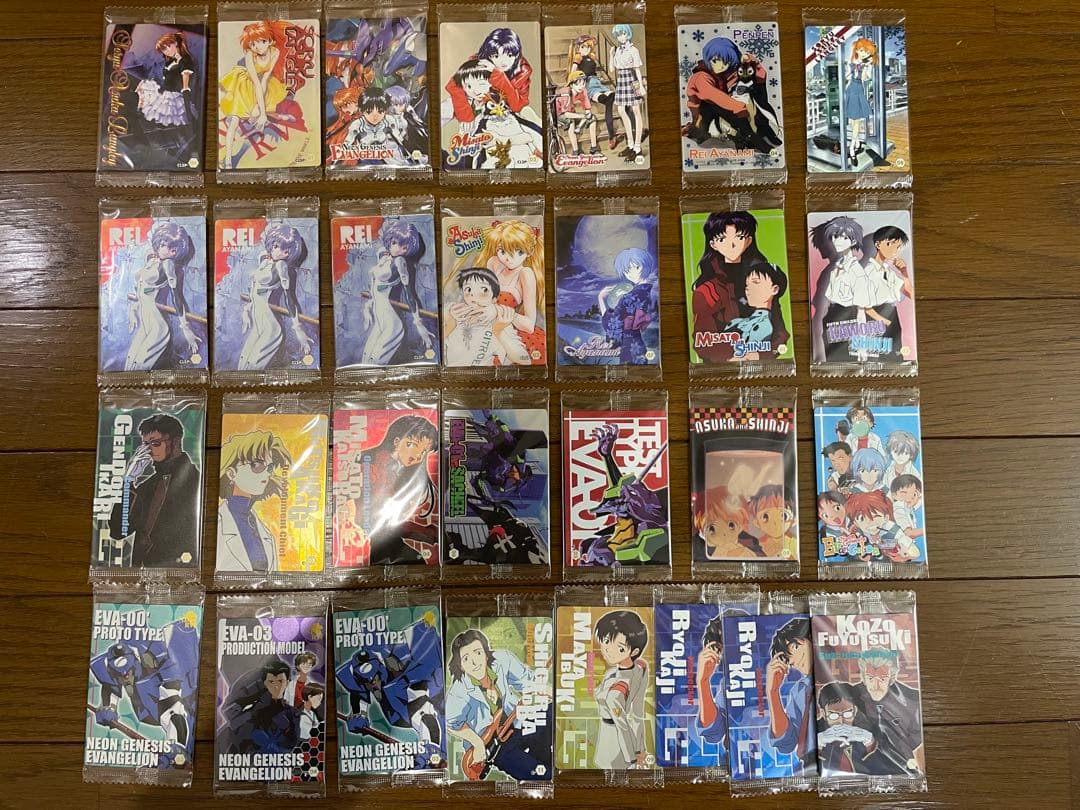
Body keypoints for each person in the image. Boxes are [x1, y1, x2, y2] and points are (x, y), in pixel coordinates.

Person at [445, 628, 551, 780]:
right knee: (541, 776)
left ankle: (542, 759)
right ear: (461, 665)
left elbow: (527, 681)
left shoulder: (503, 659)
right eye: (466, 659)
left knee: (550, 712)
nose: (474, 662)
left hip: (519, 723)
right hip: (495, 746)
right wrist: (477, 743)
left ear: (486, 653)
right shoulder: (458, 692)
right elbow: (452, 723)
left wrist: (545, 690)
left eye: (478, 653)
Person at [108, 413, 201, 568]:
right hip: (141, 572)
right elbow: (119, 531)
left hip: (180, 570)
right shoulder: (149, 485)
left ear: (176, 442)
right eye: (145, 445)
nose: (148, 451)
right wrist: (128, 481)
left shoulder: (195, 480)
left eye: (155, 443)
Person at [357, 218, 434, 366]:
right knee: (366, 359)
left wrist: (419, 324)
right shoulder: (383, 255)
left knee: (376, 362)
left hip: (391, 323)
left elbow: (409, 293)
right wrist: (368, 306)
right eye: (394, 243)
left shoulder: (400, 262)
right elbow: (376, 287)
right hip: (380, 319)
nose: (398, 249)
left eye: (404, 247)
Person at [124, 221, 200, 371]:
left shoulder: (168, 265)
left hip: (157, 325)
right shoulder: (152, 261)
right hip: (145, 323)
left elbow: (177, 297)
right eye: (164, 244)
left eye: (173, 249)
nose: (167, 250)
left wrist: (185, 328)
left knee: (139, 366)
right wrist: (134, 308)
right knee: (130, 364)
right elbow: (144, 292)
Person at [238, 223, 313, 370]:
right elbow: (256, 291)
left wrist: (298, 329)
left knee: (253, 368)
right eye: (273, 245)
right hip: (258, 324)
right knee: (242, 365)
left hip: (270, 327)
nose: (273, 249)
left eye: (277, 247)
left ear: (288, 252)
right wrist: (246, 310)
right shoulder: (264, 260)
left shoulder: (281, 266)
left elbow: (289, 298)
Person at [216, 429, 292, 572]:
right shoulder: (218, 525)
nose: (267, 474)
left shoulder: (265, 531)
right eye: (257, 465)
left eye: (269, 468)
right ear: (231, 473)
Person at [219, 21, 287, 168]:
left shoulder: (275, 52)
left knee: (258, 112)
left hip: (262, 82)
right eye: (253, 44)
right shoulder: (250, 55)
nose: (258, 47)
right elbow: (256, 82)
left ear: (270, 40)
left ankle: (273, 116)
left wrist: (260, 110)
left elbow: (265, 79)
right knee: (235, 120)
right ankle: (228, 160)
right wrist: (260, 112)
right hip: (244, 81)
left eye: (262, 41)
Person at [848, 649, 925, 775]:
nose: (876, 686)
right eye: (870, 678)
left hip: (903, 771)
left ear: (892, 678)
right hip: (858, 769)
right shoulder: (849, 695)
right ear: (863, 678)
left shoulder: (913, 701)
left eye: (882, 679)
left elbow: (919, 749)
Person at [593, 611, 650, 769]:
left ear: (634, 652)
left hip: (614, 741)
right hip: (622, 736)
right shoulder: (641, 668)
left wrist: (632, 760)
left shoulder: (616, 690)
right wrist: (640, 749)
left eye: (619, 648)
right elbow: (637, 713)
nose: (608, 650)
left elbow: (622, 727)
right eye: (606, 641)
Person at [444, 267, 529, 366]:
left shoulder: (499, 322)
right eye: (468, 289)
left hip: (479, 374)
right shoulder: (452, 311)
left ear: (494, 299)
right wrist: (450, 324)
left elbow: (524, 359)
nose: (473, 295)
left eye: (484, 290)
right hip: (446, 372)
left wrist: (498, 331)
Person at [765, 617, 815, 770]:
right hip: (809, 764)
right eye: (787, 658)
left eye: (795, 647)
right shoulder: (799, 690)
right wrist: (773, 692)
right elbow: (787, 743)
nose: (792, 661)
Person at [599, 247, 658, 364]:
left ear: (638, 267)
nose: (626, 275)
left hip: (630, 345)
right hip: (638, 342)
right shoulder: (651, 291)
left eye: (627, 270)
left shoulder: (629, 298)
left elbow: (611, 324)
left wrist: (601, 298)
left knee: (629, 371)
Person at [815, 681, 878, 774]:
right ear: (823, 713)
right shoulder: (813, 731)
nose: (841, 722)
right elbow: (804, 765)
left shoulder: (870, 728)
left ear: (855, 711)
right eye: (834, 715)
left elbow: (884, 767)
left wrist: (870, 743)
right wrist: (819, 745)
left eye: (847, 713)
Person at [609, 24, 645, 160]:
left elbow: (637, 69)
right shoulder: (618, 50)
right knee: (621, 110)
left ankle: (637, 147)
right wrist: (611, 55)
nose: (621, 37)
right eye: (618, 35)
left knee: (636, 111)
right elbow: (612, 69)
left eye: (623, 34)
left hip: (632, 80)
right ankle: (630, 144)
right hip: (621, 81)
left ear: (628, 34)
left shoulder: (633, 50)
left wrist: (641, 86)